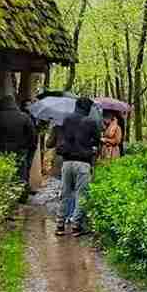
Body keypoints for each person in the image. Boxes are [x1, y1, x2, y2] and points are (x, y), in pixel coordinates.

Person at [56, 97, 101, 237]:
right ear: (87, 108)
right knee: (81, 194)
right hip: (83, 162)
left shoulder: (67, 119)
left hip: (67, 162)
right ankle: (76, 226)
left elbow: (61, 137)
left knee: (65, 193)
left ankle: (60, 225)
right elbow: (97, 140)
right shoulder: (91, 122)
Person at [0, 94, 36, 186]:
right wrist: (28, 147)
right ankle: (21, 194)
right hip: (20, 149)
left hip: (2, 149)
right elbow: (32, 134)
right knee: (20, 172)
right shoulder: (24, 117)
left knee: (3, 173)